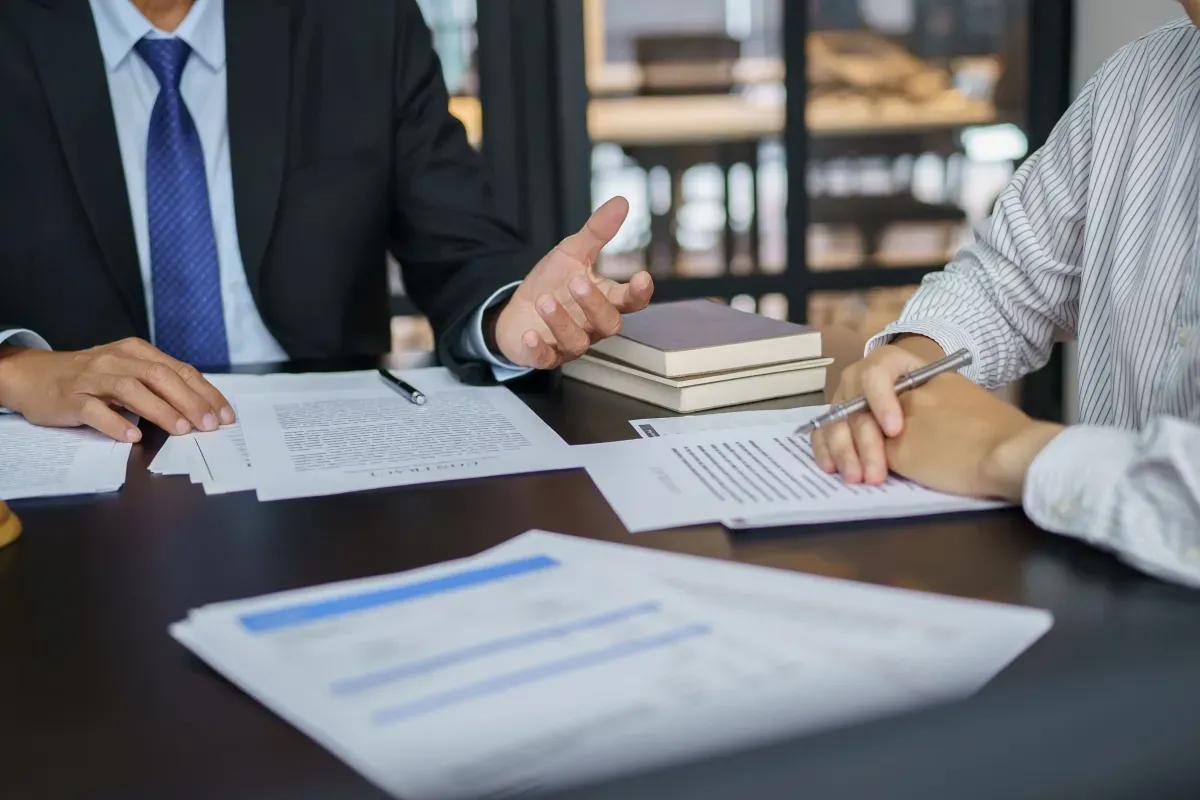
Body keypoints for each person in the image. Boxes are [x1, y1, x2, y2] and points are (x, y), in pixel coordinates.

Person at [0, 0, 652, 443]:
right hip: (80, 452)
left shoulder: (359, 20)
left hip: (326, 453)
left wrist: (511, 315)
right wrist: (22, 374)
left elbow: (460, 248)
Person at [814, 4, 1200, 587]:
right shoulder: (1139, 81)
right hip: (1096, 610)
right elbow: (1006, 278)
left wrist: (1004, 450)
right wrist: (915, 362)